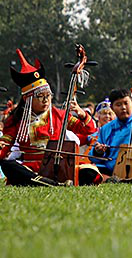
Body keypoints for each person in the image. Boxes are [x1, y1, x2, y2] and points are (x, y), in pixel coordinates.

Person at [0, 49, 96, 186]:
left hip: (59, 166)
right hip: (30, 167)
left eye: (48, 95)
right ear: (27, 99)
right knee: (8, 165)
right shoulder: (16, 120)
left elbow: (88, 130)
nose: (46, 100)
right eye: (40, 96)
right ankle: (47, 182)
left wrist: (82, 114)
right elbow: (5, 146)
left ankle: (45, 182)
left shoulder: (59, 115)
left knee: (90, 172)